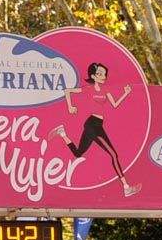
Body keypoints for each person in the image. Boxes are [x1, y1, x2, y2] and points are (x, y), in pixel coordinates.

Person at [51, 62, 141, 197]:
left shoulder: (106, 90)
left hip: (97, 125)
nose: (103, 76)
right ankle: (126, 187)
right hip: (92, 125)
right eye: (99, 74)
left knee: (78, 153)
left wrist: (126, 93)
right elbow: (67, 91)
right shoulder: (89, 89)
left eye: (104, 74)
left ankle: (62, 133)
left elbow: (115, 104)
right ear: (93, 76)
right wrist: (70, 106)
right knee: (113, 154)